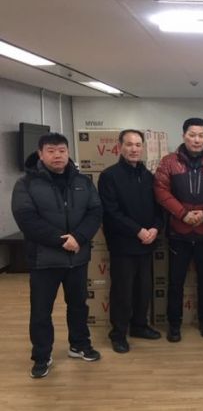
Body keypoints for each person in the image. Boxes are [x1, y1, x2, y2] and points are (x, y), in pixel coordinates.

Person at [11, 133, 102, 378]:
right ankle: (42, 356)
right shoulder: (26, 184)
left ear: (68, 152)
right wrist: (63, 241)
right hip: (44, 260)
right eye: (51, 151)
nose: (57, 155)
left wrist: (79, 238)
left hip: (78, 258)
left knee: (78, 305)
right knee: (41, 311)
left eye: (61, 150)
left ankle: (79, 345)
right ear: (40, 154)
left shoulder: (82, 181)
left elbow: (95, 212)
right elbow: (27, 220)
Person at [154, 117, 203, 342]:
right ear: (184, 135)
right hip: (179, 231)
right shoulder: (168, 162)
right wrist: (183, 214)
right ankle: (174, 324)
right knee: (175, 281)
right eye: (192, 135)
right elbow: (160, 190)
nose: (197, 140)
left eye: (201, 135)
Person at [98, 129, 164, 354]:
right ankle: (118, 333)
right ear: (120, 147)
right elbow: (111, 212)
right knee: (122, 291)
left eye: (138, 145)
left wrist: (155, 228)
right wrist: (138, 231)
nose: (134, 149)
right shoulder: (109, 176)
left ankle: (139, 325)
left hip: (146, 243)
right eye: (129, 144)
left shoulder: (148, 176)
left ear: (142, 148)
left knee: (143, 289)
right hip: (123, 244)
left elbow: (159, 209)